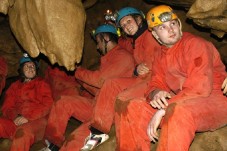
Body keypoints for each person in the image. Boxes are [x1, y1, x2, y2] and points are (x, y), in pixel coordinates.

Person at [115, 5, 227, 151]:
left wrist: (162, 110)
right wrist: (156, 93)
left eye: (173, 24)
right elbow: (155, 82)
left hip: (215, 100)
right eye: (162, 27)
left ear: (179, 25)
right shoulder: (161, 55)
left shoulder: (195, 44)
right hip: (183, 99)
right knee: (133, 107)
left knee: (177, 111)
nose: (170, 29)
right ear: (155, 35)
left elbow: (200, 88)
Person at [78, 6, 161, 148]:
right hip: (141, 79)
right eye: (122, 25)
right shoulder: (134, 40)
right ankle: (98, 131)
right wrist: (135, 69)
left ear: (138, 18)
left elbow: (162, 56)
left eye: (128, 21)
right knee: (111, 84)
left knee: (122, 99)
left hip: (154, 80)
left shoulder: (152, 35)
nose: (126, 27)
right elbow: (122, 44)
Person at [43, 24, 135, 151]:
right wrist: (83, 84)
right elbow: (99, 88)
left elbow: (100, 80)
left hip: (109, 111)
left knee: (73, 140)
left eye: (98, 42)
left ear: (106, 38)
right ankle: (52, 144)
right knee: (62, 102)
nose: (97, 47)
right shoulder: (109, 59)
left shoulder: (122, 57)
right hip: (97, 105)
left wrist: (78, 71)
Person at [0, 53, 53, 151]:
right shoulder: (14, 86)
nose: (30, 68)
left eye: (33, 66)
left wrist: (28, 117)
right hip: (16, 121)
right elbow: (7, 107)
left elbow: (48, 105)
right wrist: (15, 117)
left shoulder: (42, 83)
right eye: (27, 66)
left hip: (37, 121)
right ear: (21, 70)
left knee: (22, 134)